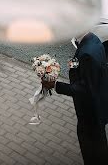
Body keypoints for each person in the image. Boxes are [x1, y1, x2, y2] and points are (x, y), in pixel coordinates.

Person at [42, 32, 108, 164]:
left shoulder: (87, 53)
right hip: (99, 106)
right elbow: (87, 70)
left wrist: (55, 85)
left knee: (92, 150)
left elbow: (84, 89)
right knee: (99, 143)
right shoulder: (93, 39)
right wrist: (70, 65)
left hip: (89, 114)